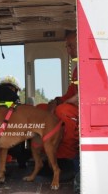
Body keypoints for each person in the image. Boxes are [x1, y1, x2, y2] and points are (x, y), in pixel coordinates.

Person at [36, 31, 79, 193]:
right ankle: (43, 157)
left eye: (70, 46)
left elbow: (82, 95)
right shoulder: (77, 69)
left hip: (86, 111)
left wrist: (63, 103)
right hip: (73, 105)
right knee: (41, 110)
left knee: (63, 112)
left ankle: (65, 159)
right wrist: (54, 101)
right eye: (66, 46)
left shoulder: (89, 65)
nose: (68, 50)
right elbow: (69, 94)